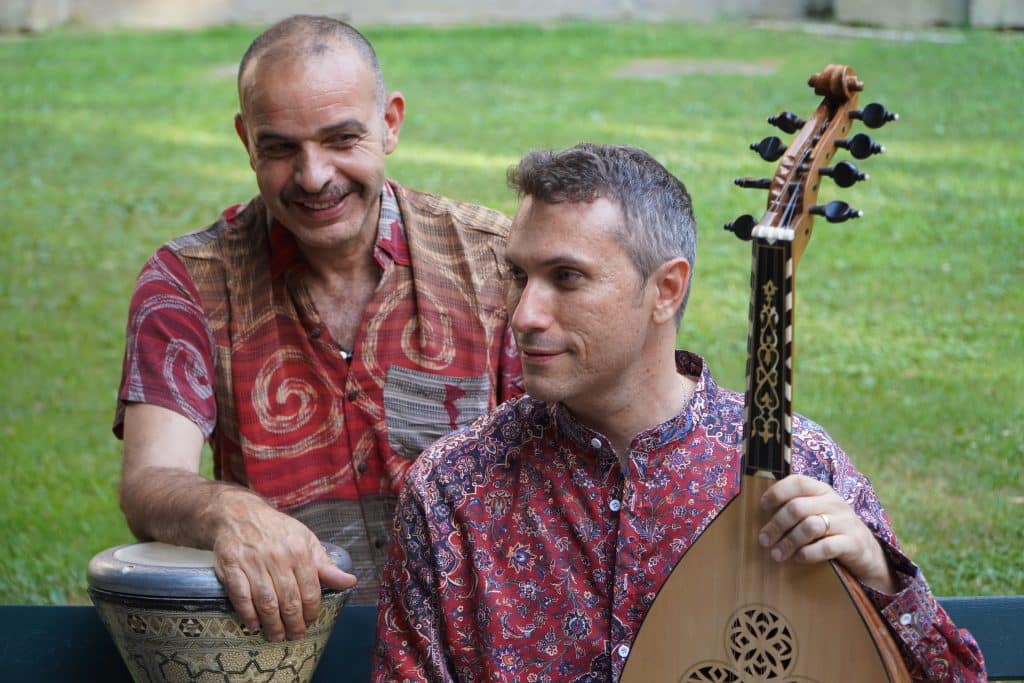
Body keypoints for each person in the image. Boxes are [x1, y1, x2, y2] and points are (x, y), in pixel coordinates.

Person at [373, 143, 986, 680]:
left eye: (566, 277)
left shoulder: (797, 462)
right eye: (517, 274)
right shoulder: (454, 490)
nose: (524, 314)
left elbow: (953, 678)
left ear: (665, 290)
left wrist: (879, 576)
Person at [113, 15, 522, 643]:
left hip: (480, 646)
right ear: (246, 141)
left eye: (341, 139)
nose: (313, 176)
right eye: (281, 148)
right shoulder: (188, 284)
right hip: (288, 647)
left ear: (390, 123)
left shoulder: (495, 265)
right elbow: (149, 482)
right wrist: (229, 512)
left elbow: (578, 463)